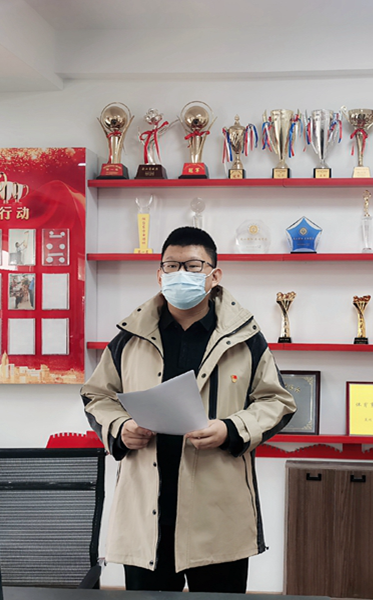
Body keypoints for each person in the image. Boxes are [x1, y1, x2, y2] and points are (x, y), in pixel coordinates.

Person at [80, 227, 295, 593]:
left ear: (215, 275)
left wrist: (230, 428)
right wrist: (120, 427)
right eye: (171, 266)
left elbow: (277, 401)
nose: (181, 274)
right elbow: (97, 396)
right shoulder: (129, 337)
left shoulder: (244, 338)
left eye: (193, 266)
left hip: (218, 515)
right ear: (159, 274)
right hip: (148, 515)